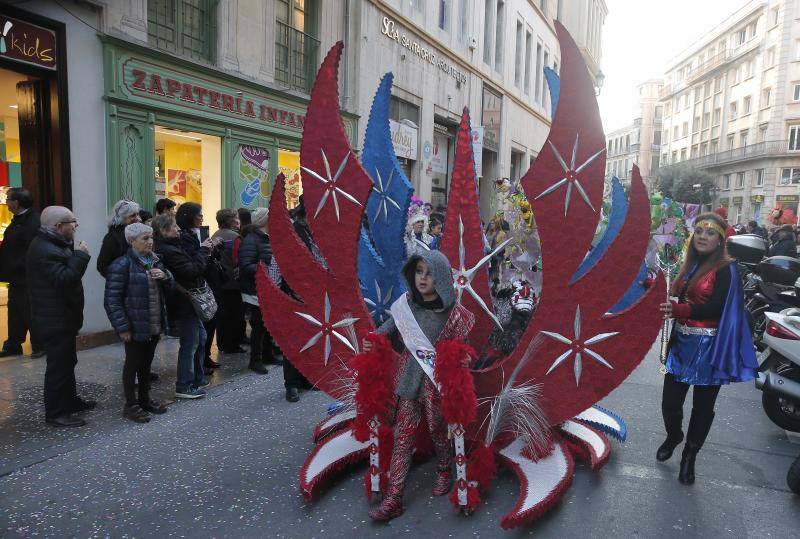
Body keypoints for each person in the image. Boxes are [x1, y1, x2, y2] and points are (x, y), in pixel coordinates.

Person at [364, 250, 474, 520]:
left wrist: (459, 367)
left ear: (440, 278)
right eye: (419, 271)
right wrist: (374, 340)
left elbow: (464, 352)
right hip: (409, 380)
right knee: (404, 436)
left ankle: (444, 469)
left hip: (437, 386)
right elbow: (385, 329)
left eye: (429, 273)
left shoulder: (455, 314)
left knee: (438, 430)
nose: (423, 278)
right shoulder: (405, 306)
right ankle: (393, 498)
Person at [658, 213, 758, 485]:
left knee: (703, 408)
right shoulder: (689, 264)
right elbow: (677, 294)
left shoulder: (726, 268)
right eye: (699, 230)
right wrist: (655, 287)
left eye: (710, 232)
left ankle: (690, 455)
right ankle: (674, 435)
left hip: (710, 348)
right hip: (681, 345)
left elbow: (718, 306)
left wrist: (681, 309)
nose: (702, 236)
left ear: (720, 239)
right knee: (670, 404)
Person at [27, 206, 94, 427]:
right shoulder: (45, 250)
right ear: (58, 226)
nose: (75, 226)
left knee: (67, 361)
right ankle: (55, 413)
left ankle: (70, 402)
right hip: (53, 318)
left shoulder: (55, 244)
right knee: (58, 367)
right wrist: (81, 257)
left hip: (62, 316)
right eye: (72, 222)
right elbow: (64, 279)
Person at [104, 223, 173, 423]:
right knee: (132, 365)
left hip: (152, 322)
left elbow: (170, 286)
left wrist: (166, 276)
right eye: (145, 238)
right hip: (134, 325)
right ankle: (131, 405)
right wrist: (123, 327)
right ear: (132, 241)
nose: (150, 241)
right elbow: (112, 300)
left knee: (146, 365)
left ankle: (145, 399)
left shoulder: (155, 261)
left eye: (151, 237)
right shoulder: (121, 265)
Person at [153, 210, 213, 399]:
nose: (179, 229)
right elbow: (192, 270)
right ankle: (184, 385)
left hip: (188, 301)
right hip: (184, 302)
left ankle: (197, 378)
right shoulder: (169, 250)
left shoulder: (176, 246)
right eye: (174, 227)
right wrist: (203, 250)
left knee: (200, 338)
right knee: (190, 343)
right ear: (163, 230)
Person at [237, 207, 280, 378]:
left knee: (268, 325)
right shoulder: (251, 239)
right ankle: (255, 360)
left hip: (267, 288)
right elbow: (246, 265)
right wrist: (267, 269)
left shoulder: (265, 237)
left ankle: (268, 355)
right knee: (258, 326)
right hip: (255, 290)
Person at [0, 188, 42, 358]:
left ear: (16, 203)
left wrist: (18, 266)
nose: (6, 202)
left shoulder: (32, 221)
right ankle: (13, 344)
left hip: (26, 276)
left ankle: (40, 345)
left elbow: (32, 249)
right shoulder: (19, 219)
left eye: (8, 199)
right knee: (15, 310)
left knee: (28, 310)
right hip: (15, 275)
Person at [207, 209, 245, 359]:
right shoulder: (235, 237)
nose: (238, 220)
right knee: (234, 314)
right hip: (232, 281)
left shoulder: (215, 235)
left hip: (219, 280)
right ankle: (232, 344)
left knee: (222, 315)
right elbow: (238, 260)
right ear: (231, 220)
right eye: (236, 218)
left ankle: (223, 343)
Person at [97, 200, 141, 279]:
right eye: (133, 215)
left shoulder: (138, 233)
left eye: (138, 214)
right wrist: (120, 278)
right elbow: (102, 266)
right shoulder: (112, 238)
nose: (138, 218)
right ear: (122, 217)